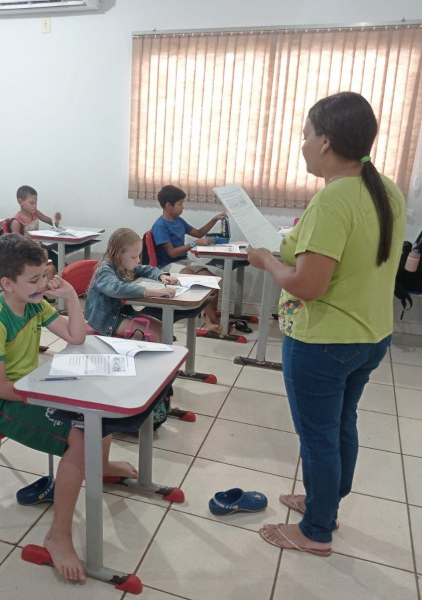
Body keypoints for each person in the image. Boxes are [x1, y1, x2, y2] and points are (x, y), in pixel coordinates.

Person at [247, 92, 405, 557]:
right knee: (340, 424)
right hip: (370, 335)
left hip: (324, 341)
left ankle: (316, 530)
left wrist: (266, 261)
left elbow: (307, 286)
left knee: (318, 435)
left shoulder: (333, 200)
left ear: (326, 142)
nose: (302, 144)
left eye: (305, 135)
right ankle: (326, 504)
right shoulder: (386, 188)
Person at [0, 234, 139, 582]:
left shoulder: (34, 303)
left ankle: (102, 466)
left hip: (31, 388)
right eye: (34, 280)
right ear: (7, 284)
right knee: (78, 436)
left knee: (96, 410)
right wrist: (47, 395)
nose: (42, 285)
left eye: (44, 276)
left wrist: (70, 298)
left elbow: (76, 336)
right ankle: (57, 536)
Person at [151, 184, 227, 335]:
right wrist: (194, 244)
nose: (183, 207)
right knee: (196, 281)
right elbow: (171, 253)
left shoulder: (178, 221)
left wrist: (214, 220)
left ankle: (209, 321)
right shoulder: (160, 226)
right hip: (167, 265)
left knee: (213, 280)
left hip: (182, 261)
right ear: (168, 206)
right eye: (180, 204)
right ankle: (214, 323)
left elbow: (198, 233)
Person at [84, 227, 178, 342]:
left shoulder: (123, 265)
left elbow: (144, 269)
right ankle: (135, 351)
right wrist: (154, 292)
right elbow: (116, 288)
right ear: (119, 254)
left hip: (122, 312)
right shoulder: (105, 270)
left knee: (164, 329)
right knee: (152, 335)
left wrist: (161, 276)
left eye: (139, 255)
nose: (138, 260)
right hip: (106, 319)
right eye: (134, 257)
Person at [9, 185, 59, 279]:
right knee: (51, 268)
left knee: (61, 262)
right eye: (31, 203)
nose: (35, 206)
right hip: (28, 253)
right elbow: (16, 245)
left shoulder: (35, 213)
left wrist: (56, 220)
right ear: (20, 202)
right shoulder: (16, 221)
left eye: (36, 202)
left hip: (39, 248)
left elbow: (51, 222)